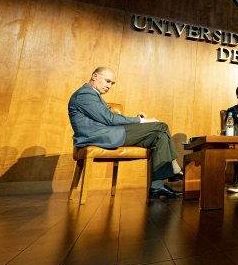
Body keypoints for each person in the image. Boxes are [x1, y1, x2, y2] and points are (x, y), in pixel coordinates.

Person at [68, 67, 183, 199]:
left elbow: (106, 119)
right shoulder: (85, 94)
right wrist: (140, 121)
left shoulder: (92, 94)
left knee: (160, 136)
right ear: (94, 76)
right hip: (100, 137)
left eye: (112, 83)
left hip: (108, 133)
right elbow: (109, 119)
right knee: (161, 126)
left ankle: (156, 187)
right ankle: (175, 169)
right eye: (107, 81)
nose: (109, 86)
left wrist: (136, 120)